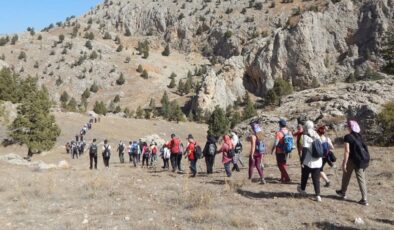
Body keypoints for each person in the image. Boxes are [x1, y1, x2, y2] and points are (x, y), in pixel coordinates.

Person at [336, 120, 370, 206]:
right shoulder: (360, 136)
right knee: (361, 180)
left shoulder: (347, 137)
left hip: (352, 160)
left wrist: (344, 162)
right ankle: (364, 199)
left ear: (351, 127)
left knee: (346, 175)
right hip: (361, 161)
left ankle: (343, 192)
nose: (347, 127)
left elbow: (347, 151)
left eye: (348, 126)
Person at [297, 120, 323, 202]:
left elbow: (304, 149)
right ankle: (318, 195)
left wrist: (302, 161)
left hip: (309, 161)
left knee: (304, 175)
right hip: (318, 161)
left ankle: (302, 189)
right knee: (316, 179)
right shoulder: (317, 135)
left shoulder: (305, 136)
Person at [270, 119, 291, 183]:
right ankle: (282, 178)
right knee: (283, 164)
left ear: (280, 125)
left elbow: (276, 143)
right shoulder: (288, 132)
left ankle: (287, 178)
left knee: (280, 165)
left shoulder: (279, 133)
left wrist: (272, 149)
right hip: (286, 151)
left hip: (279, 151)